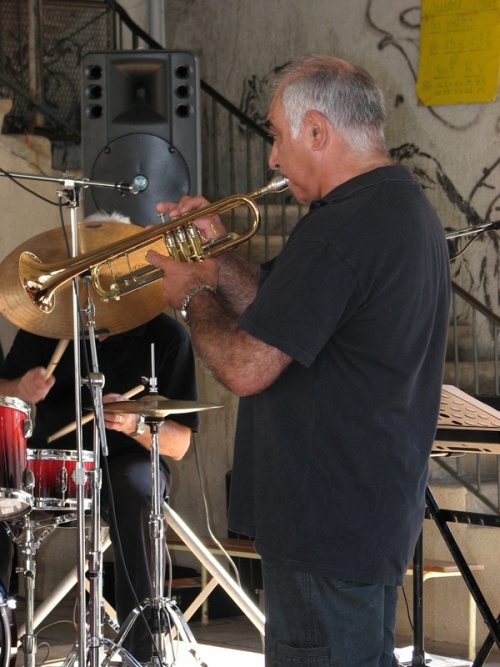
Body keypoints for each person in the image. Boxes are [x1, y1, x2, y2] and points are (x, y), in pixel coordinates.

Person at [146, 55, 451, 666]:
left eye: (276, 136)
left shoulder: (344, 227)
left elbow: (245, 366)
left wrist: (190, 296)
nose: (272, 158)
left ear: (317, 131)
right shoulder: (393, 208)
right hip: (351, 520)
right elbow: (284, 310)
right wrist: (212, 260)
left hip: (327, 525)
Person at [0, 278, 199, 661]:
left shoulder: (167, 336)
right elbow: (4, 391)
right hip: (53, 461)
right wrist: (18, 388)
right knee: (4, 490)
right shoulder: (48, 326)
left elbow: (179, 444)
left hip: (130, 459)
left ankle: (138, 649)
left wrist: (134, 425)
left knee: (136, 492)